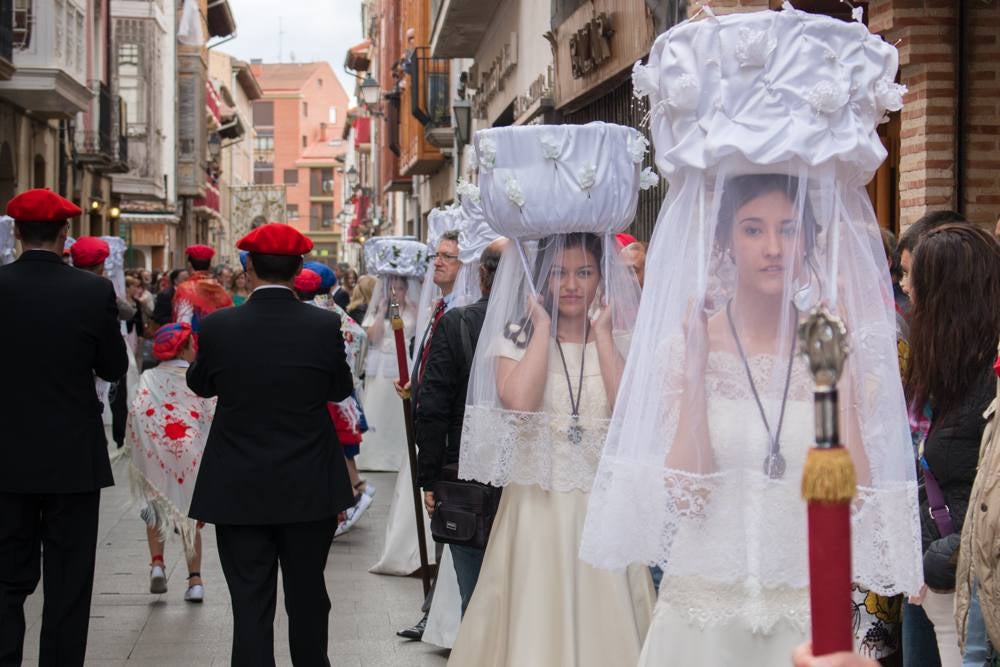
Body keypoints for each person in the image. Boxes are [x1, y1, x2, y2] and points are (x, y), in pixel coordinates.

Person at [579, 11, 922, 666]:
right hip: (702, 614)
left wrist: (844, 378)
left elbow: (858, 498)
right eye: (754, 228)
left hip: (806, 613)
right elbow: (686, 493)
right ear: (728, 241)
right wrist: (701, 367)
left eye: (789, 229)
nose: (772, 247)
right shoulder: (692, 344)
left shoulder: (831, 349)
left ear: (812, 241)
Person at [450, 122, 654, 666]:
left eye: (583, 272)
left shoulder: (622, 336)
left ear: (599, 277)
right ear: (542, 279)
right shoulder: (513, 336)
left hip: (602, 504)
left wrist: (605, 335)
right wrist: (541, 327)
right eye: (560, 273)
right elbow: (518, 403)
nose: (571, 284)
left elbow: (626, 407)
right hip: (536, 506)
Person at [186, 222, 355, 664]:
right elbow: (339, 389)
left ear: (248, 272)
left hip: (239, 484)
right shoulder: (323, 325)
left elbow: (200, 385)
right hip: (309, 484)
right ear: (298, 269)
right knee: (307, 595)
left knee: (249, 602)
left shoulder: (222, 325)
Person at [0, 189, 128, 666]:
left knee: (5, 579)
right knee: (69, 578)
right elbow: (114, 367)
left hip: (6, 455)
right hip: (72, 455)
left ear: (15, 232)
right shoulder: (92, 291)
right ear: (65, 235)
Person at [904, 224, 1000, 667]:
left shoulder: (988, 379)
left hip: (961, 587)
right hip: (929, 582)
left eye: (914, 278)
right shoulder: (945, 366)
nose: (905, 289)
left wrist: (939, 555)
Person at [418, 237, 506, 613]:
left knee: (475, 594)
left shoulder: (457, 323)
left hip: (463, 472)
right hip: (524, 476)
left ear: (482, 275)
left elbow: (432, 406)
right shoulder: (543, 326)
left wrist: (429, 478)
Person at [375, 227, 463, 585]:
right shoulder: (438, 306)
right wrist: (418, 382)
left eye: (447, 256)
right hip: (428, 419)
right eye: (436, 255)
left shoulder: (460, 311)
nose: (437, 262)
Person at [125, 322, 215, 602]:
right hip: (189, 453)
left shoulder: (150, 377)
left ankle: (157, 564)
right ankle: (195, 580)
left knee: (156, 511)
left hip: (156, 451)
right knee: (189, 518)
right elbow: (210, 411)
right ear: (185, 348)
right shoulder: (195, 377)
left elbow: (138, 410)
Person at [294, 266, 375, 536]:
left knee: (333, 449)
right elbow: (360, 338)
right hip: (344, 391)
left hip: (323, 395)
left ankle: (350, 496)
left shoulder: (309, 316)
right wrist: (354, 372)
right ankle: (351, 493)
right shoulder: (335, 312)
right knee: (341, 450)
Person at [356, 238, 425, 473]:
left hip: (401, 363)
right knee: (377, 407)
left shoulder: (413, 310)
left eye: (401, 287)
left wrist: (410, 304)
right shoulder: (380, 309)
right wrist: (381, 310)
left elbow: (418, 329)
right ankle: (374, 455)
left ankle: (398, 454)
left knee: (398, 411)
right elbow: (373, 337)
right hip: (380, 365)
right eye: (393, 287)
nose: (396, 291)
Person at [172, 244, 233, 329]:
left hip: (195, 339)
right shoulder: (219, 288)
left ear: (190, 264)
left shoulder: (185, 289)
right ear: (209, 265)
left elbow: (183, 322)